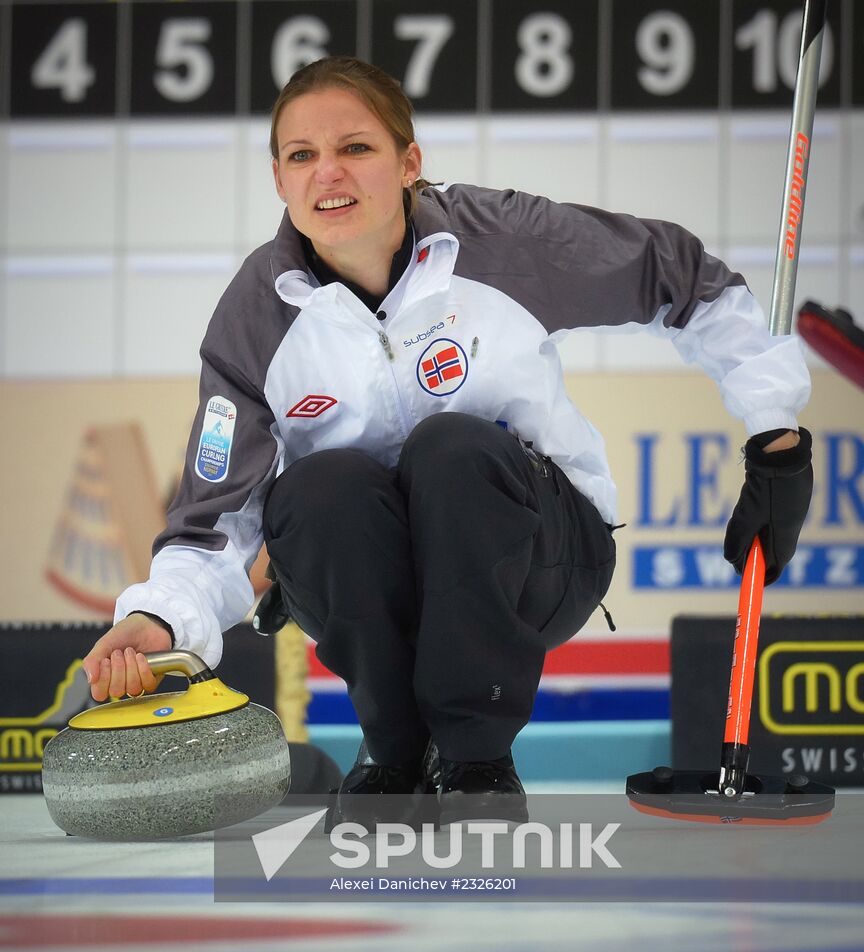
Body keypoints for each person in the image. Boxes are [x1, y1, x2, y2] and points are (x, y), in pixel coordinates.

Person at [82, 56, 813, 826]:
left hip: (541, 558)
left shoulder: (501, 243)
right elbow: (213, 522)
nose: (328, 173)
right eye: (302, 155)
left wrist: (776, 436)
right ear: (279, 179)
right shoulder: (255, 317)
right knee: (317, 488)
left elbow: (682, 275)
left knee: (452, 450)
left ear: (409, 163)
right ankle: (392, 757)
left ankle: (476, 760)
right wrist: (158, 620)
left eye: (356, 147)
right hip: (370, 571)